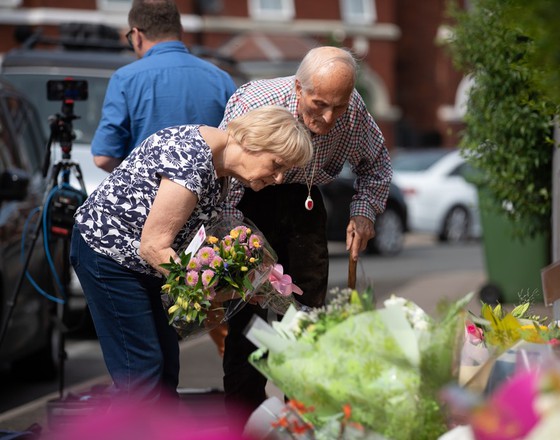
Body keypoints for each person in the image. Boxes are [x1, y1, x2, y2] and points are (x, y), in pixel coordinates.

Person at [70, 106, 313, 402]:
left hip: (140, 265)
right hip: (109, 256)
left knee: (165, 368)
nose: (278, 178)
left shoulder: (220, 169)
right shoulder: (193, 159)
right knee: (142, 373)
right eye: (276, 164)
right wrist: (208, 291)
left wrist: (251, 278)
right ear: (253, 142)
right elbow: (154, 246)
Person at [218, 46, 393, 415]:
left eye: (339, 106)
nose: (329, 118)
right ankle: (243, 421)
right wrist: (237, 250)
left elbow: (376, 164)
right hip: (246, 203)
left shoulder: (354, 110)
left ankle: (302, 418)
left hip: (305, 205)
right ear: (298, 89)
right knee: (246, 325)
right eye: (318, 105)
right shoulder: (257, 102)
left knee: (304, 320)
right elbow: (224, 182)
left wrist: (363, 214)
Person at [91, 0, 236, 173]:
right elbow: (235, 146)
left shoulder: (125, 78)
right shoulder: (221, 78)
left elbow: (103, 158)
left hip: (147, 197)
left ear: (136, 36)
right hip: (208, 195)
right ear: (180, 31)